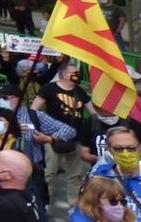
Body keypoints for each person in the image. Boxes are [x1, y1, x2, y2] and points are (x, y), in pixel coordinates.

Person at [30, 63, 92, 207]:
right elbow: (34, 110)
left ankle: (74, 205)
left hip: (75, 139)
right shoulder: (49, 88)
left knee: (75, 175)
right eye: (75, 72)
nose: (78, 74)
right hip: (52, 138)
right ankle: (45, 204)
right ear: (64, 74)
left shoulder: (80, 91)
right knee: (49, 174)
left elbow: (93, 112)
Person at [83, 126, 141, 214]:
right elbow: (88, 211)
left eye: (131, 148)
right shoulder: (100, 177)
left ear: (140, 148)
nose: (125, 153)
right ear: (109, 149)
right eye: (118, 149)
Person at [71, 176, 136, 222]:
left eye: (123, 202)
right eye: (112, 201)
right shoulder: (80, 218)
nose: (119, 206)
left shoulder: (129, 218)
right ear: (95, 200)